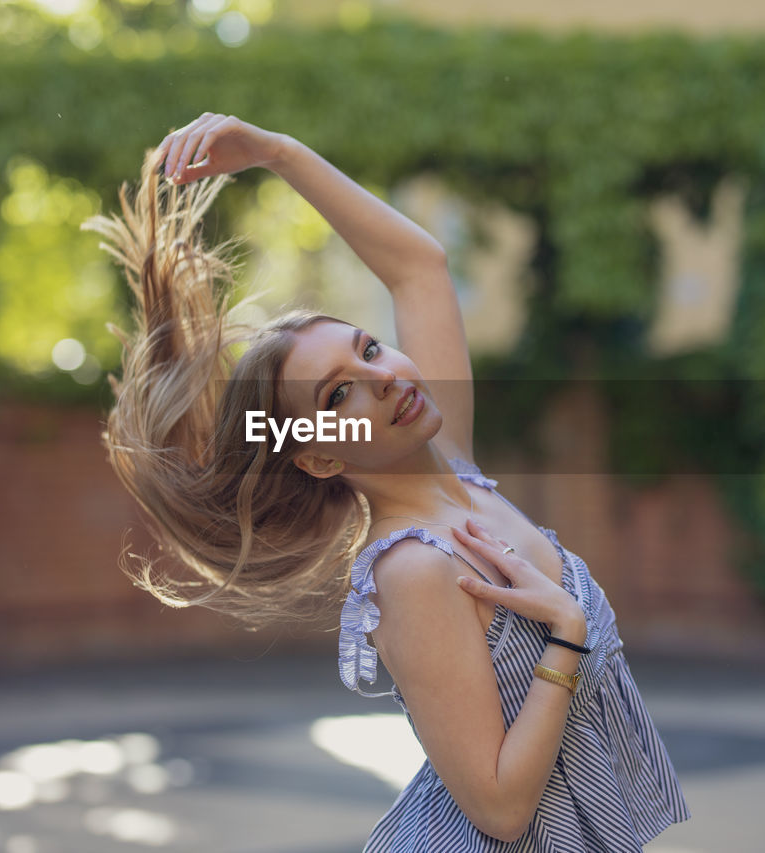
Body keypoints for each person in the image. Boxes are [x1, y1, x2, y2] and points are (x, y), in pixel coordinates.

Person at [84, 112, 691, 851]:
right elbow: (499, 808)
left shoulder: (458, 471)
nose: (384, 377)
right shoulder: (412, 568)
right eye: (338, 395)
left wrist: (278, 153)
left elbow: (418, 268)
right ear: (318, 455)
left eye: (370, 347)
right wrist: (566, 637)